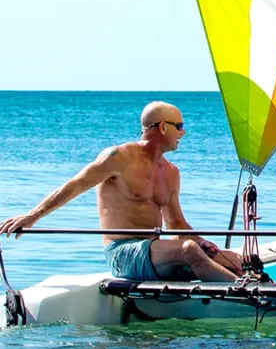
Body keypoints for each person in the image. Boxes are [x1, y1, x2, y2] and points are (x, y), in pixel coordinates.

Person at [0, 102, 243, 282]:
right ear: (162, 127)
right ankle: (246, 292)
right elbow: (75, 185)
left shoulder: (171, 172)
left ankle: (258, 287)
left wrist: (203, 242)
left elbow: (177, 223)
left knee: (234, 258)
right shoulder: (118, 157)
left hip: (155, 251)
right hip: (123, 253)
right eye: (179, 126)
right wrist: (33, 216)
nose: (183, 132)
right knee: (189, 250)